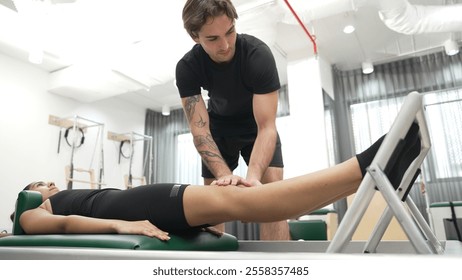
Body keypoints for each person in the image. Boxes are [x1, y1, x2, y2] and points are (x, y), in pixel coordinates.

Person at [12, 124, 421, 241]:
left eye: (50, 183)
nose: (49, 184)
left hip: (143, 202)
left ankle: (367, 174)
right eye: (42, 184)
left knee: (250, 201)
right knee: (247, 205)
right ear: (29, 195)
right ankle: (366, 166)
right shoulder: (33, 212)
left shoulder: (53, 202)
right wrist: (125, 224)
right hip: (140, 210)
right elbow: (64, 225)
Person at [175, 0, 287, 240]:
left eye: (230, 32)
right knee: (214, 201)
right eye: (213, 39)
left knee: (272, 197)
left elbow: (267, 127)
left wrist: (252, 180)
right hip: (218, 129)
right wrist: (225, 178)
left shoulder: (258, 55)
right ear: (195, 37)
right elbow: (200, 132)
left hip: (256, 126)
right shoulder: (187, 67)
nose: (225, 45)